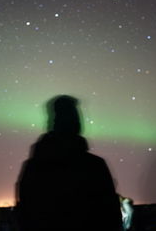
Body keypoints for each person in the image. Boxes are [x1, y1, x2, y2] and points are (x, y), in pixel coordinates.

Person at [16, 95, 122, 231]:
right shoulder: (94, 166)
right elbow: (110, 216)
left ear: (52, 122)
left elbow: (26, 216)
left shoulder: (34, 167)